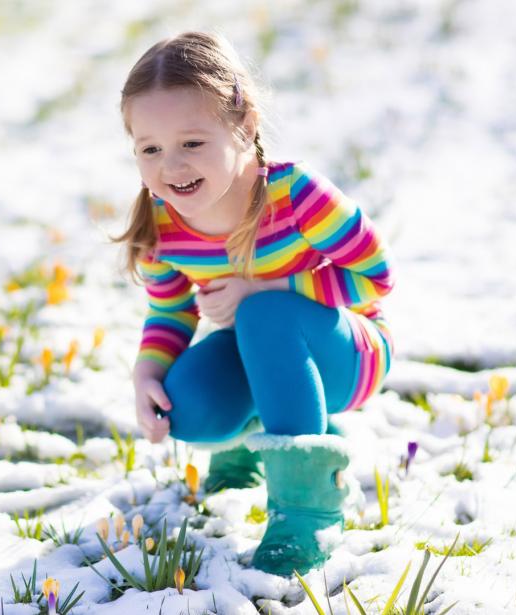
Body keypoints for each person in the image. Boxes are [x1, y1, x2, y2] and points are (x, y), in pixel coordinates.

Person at [114, 31, 396, 576]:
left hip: (348, 352)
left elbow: (375, 277)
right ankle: (256, 444)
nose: (171, 166)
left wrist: (269, 289)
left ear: (243, 127)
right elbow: (171, 310)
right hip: (261, 351)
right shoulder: (163, 222)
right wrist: (146, 372)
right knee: (187, 406)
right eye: (151, 149)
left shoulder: (296, 196)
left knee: (263, 314)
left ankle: (307, 508)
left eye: (192, 143)